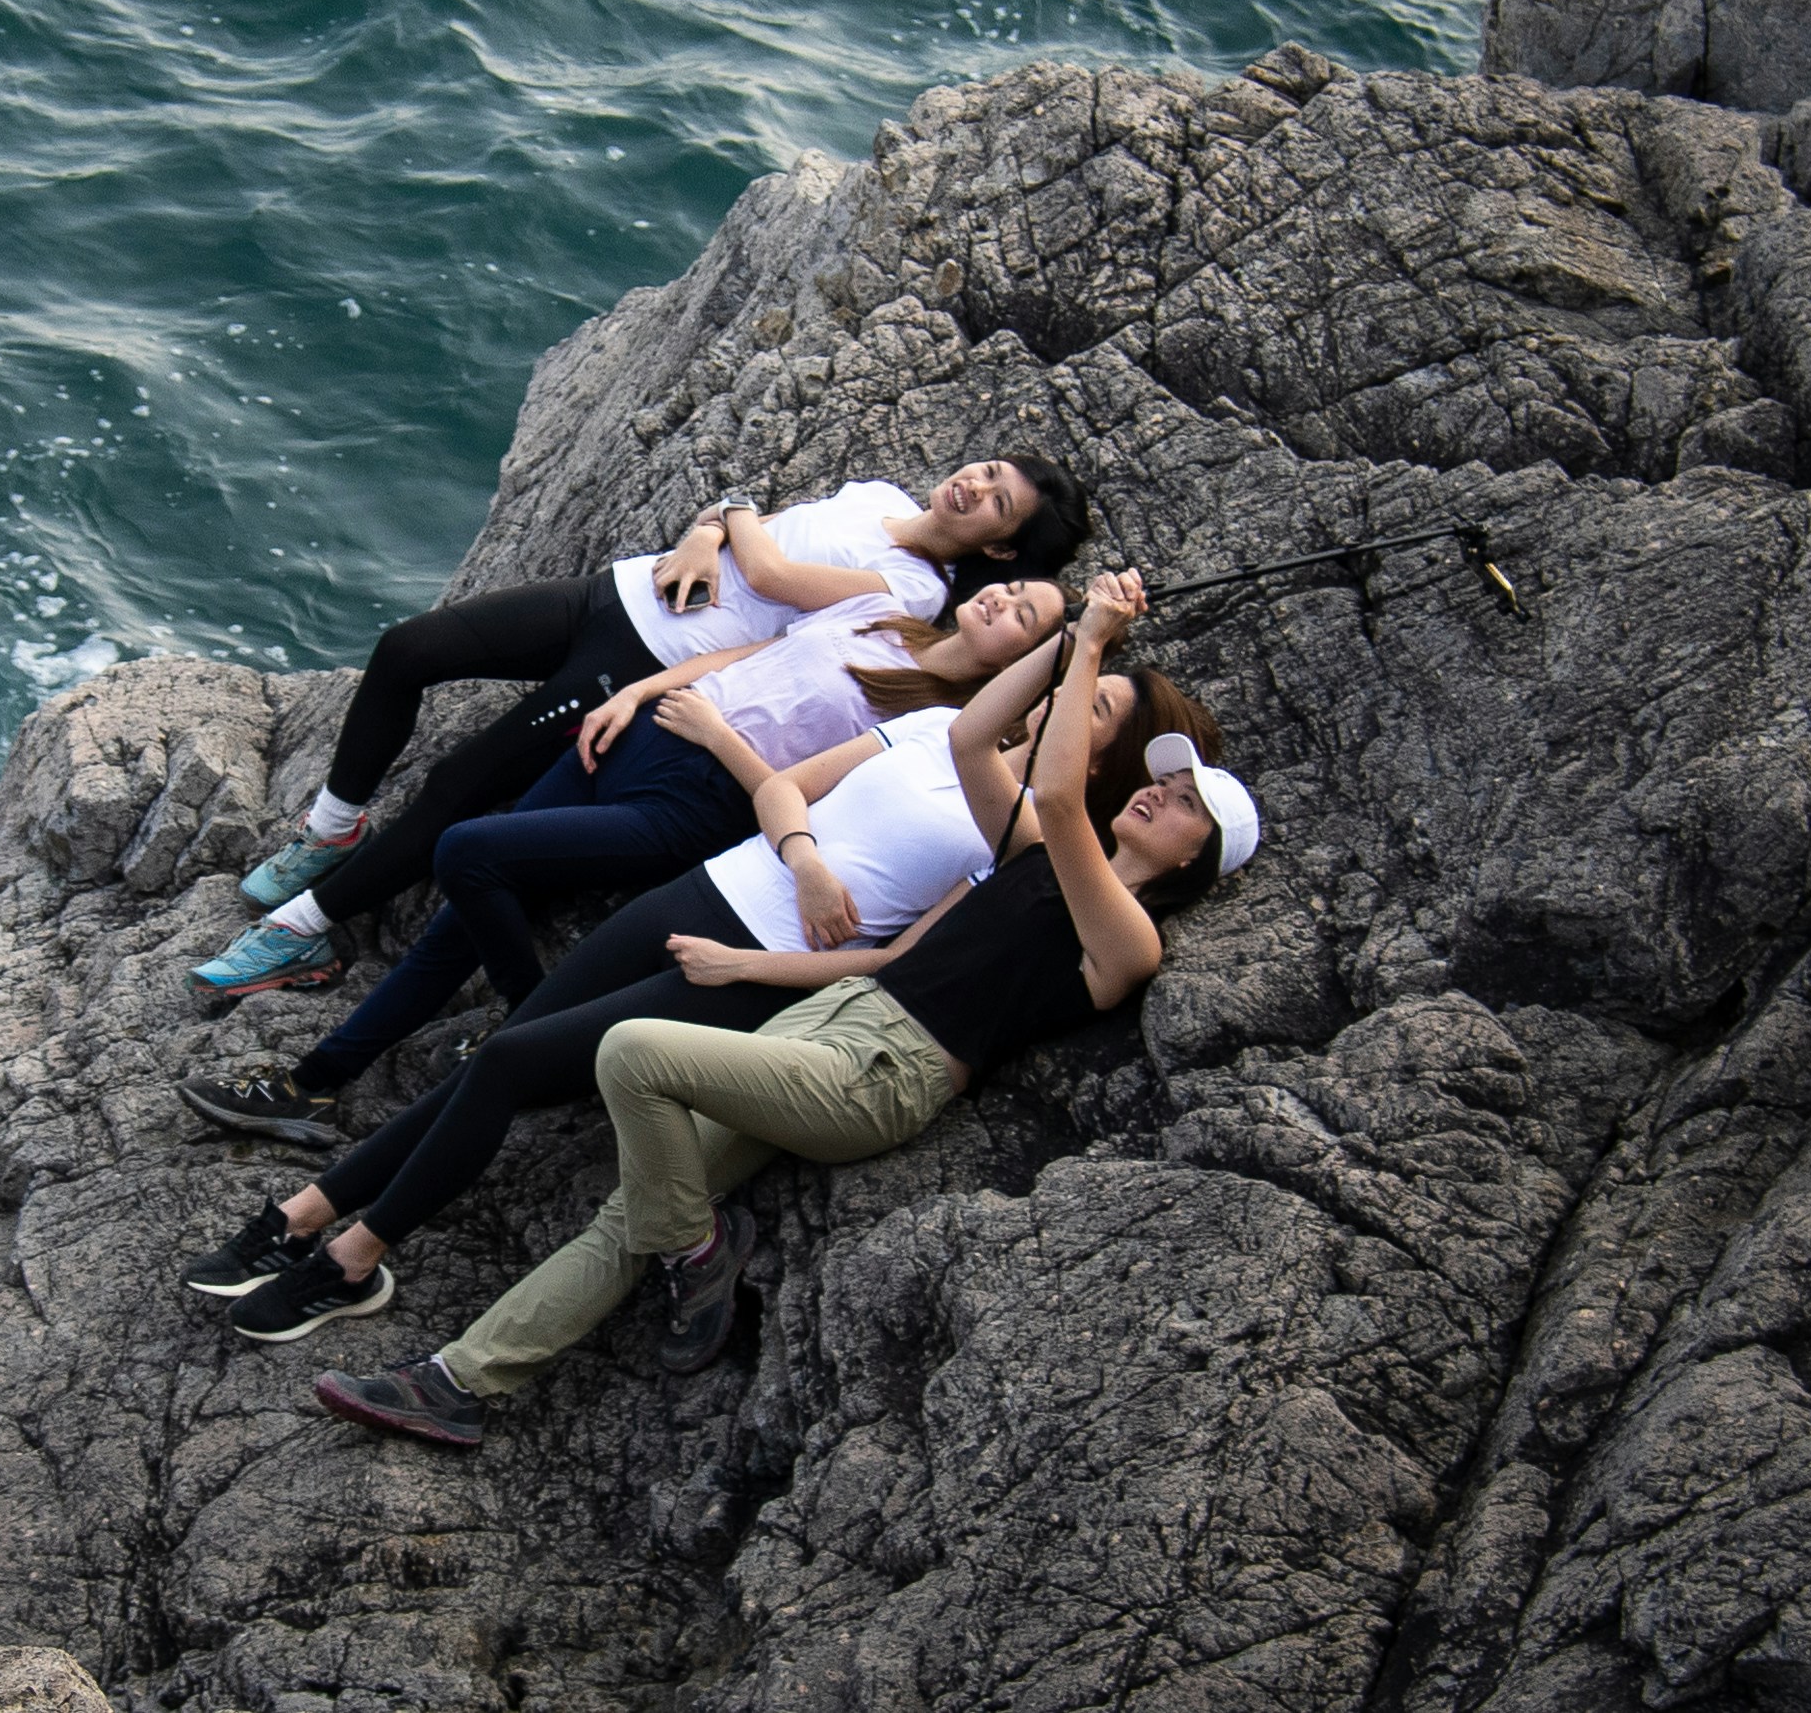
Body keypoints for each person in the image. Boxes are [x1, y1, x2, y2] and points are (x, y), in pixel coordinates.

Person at [300, 572, 1256, 1441]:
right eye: (1164, 782)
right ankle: (458, 1382)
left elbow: (1058, 793)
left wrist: (1094, 645)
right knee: (629, 1212)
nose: (1159, 797)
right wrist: (1071, 639)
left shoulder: (1128, 936)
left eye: (1184, 805)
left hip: (884, 1070)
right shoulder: (1030, 855)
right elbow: (973, 738)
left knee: (631, 1052)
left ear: (1192, 859)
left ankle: (698, 1247)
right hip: (826, 1021)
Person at [182, 571, 1083, 1125]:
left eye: (1025, 616)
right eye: (1013, 588)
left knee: (468, 851)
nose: (1002, 599)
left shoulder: (935, 724)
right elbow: (744, 653)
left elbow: (806, 793)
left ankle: (526, 1012)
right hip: (639, 734)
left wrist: (715, 734)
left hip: (698, 801)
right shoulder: (880, 609)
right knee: (454, 924)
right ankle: (314, 1082)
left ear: (1029, 662)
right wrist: (638, 694)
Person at [195, 460, 1085, 1008]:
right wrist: (704, 531)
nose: (974, 486)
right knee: (408, 649)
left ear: (1001, 549)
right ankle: (332, 827)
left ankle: (305, 926)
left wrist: (728, 508)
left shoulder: (916, 593)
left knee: (459, 787)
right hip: (621, 591)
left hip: (655, 655)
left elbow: (769, 571)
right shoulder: (878, 495)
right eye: (987, 471)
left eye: (996, 503)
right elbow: (747, 539)